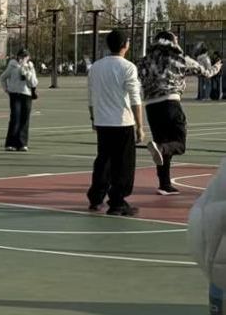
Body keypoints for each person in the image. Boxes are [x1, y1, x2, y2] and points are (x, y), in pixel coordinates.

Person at [138, 30, 219, 195]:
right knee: (179, 144)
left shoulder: (144, 61)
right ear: (171, 42)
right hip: (170, 102)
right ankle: (161, 150)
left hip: (151, 106)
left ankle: (164, 184)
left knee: (162, 144)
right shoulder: (178, 58)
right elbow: (206, 72)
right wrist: (218, 65)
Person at [87, 29, 144, 217]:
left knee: (103, 160)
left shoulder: (96, 67)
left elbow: (91, 96)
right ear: (125, 45)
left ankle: (96, 197)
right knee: (123, 164)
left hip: (103, 121)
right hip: (122, 122)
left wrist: (93, 118)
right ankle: (118, 202)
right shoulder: (128, 67)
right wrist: (140, 126)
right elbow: (135, 98)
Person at [0, 47, 38, 151]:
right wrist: (6, 89)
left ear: (28, 57)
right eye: (21, 56)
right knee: (15, 118)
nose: (23, 58)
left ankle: (22, 143)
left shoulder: (30, 67)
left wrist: (28, 73)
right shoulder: (12, 66)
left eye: (25, 56)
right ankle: (10, 143)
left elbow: (34, 83)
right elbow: (2, 78)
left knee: (25, 119)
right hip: (15, 94)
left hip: (27, 94)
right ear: (18, 57)